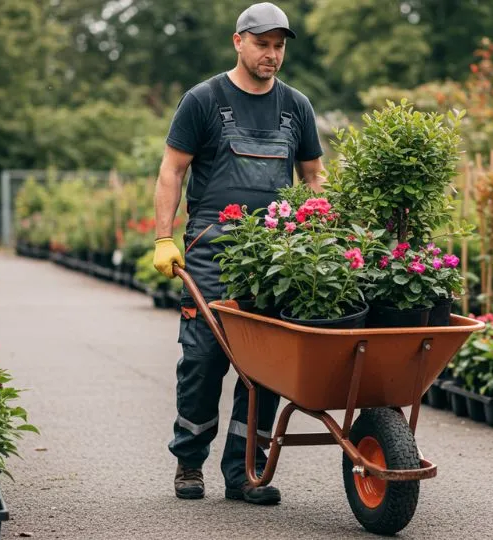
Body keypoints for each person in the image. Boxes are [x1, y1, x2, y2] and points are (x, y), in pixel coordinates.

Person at [151, 2, 325, 505]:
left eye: (279, 46)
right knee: (204, 358)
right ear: (238, 42)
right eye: (263, 44)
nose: (272, 54)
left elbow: (313, 176)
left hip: (275, 253)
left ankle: (245, 471)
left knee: (265, 366)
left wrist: (319, 230)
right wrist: (165, 238)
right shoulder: (204, 100)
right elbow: (172, 170)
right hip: (212, 249)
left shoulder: (296, 106)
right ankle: (189, 460)